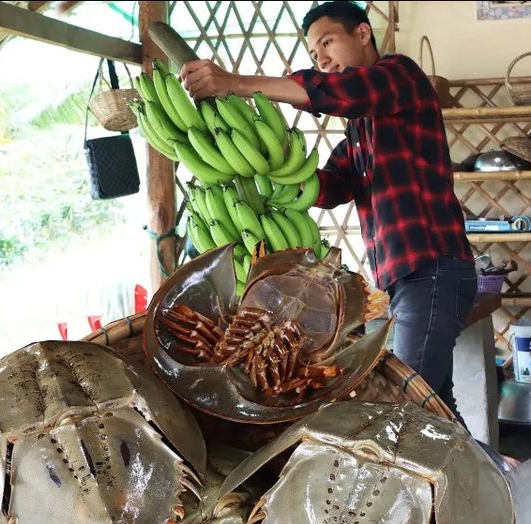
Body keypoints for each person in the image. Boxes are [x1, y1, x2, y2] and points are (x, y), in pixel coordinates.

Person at [180, 1, 477, 423]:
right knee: (435, 403)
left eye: (327, 41)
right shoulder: (363, 127)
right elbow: (333, 184)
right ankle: (491, 476)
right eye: (313, 51)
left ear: (361, 34)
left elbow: (338, 93)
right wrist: (266, 170)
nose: (321, 57)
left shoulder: (400, 76)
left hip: (431, 269)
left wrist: (235, 83)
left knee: (407, 410)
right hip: (405, 279)